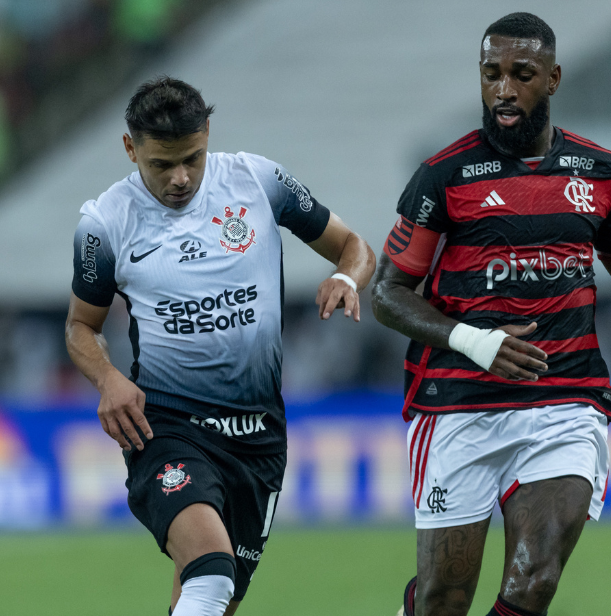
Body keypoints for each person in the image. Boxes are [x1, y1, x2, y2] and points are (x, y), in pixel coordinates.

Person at [371, 13, 611, 616]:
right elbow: (387, 293)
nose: (504, 89)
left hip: (566, 396)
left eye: (521, 73)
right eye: (491, 74)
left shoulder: (601, 173)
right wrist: (475, 341)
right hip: (459, 405)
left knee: (534, 582)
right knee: (442, 600)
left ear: (554, 78)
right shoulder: (444, 175)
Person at [65, 76, 375, 616]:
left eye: (192, 158)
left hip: (258, 437)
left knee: (214, 596)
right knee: (210, 573)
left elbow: (354, 246)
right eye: (162, 164)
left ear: (208, 133)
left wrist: (347, 279)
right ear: (130, 148)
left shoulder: (258, 180)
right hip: (166, 427)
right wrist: (108, 378)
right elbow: (79, 327)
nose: (180, 178)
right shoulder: (104, 224)